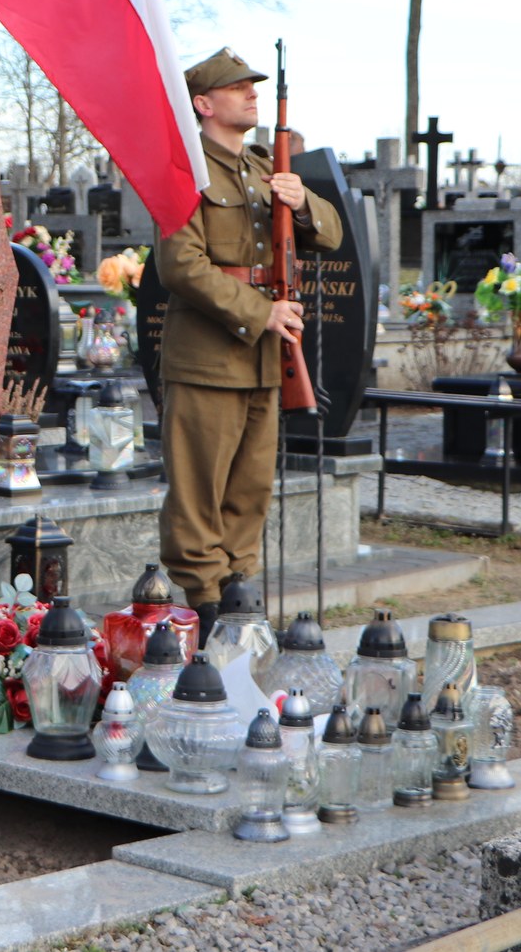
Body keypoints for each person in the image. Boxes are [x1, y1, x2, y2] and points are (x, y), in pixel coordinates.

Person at [154, 48, 342, 640]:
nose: (252, 94)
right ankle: (206, 608)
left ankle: (240, 600)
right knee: (199, 494)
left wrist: (302, 202)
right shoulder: (185, 169)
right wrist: (261, 312)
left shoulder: (264, 168)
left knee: (251, 489)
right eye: (238, 87)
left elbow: (331, 234)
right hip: (208, 358)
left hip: (264, 359)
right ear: (204, 104)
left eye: (254, 86)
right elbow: (181, 265)